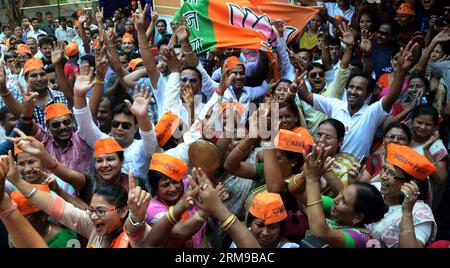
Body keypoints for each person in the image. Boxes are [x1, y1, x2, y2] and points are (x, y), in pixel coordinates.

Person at [295, 40, 419, 158]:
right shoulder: (335, 105)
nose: (353, 92)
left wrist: (402, 71)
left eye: (359, 89)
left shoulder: (372, 112)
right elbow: (306, 96)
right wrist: (299, 71)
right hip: (327, 166)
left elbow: (392, 96)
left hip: (355, 172)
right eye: (351, 87)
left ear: (367, 94)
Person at [299, 144, 386, 248]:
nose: (335, 200)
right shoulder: (340, 210)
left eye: (343, 201)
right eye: (340, 194)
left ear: (357, 217)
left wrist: (312, 179)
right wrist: (306, 172)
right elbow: (297, 192)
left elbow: (320, 231)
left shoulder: (362, 238)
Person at [367, 144, 437, 248]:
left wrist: (407, 211)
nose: (383, 177)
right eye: (384, 169)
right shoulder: (374, 190)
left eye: (391, 174)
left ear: (411, 184)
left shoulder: (420, 212)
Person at [146, 154, 208, 248]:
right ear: (156, 189)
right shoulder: (152, 209)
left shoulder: (186, 186)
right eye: (165, 185)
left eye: (175, 182)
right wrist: (208, 208)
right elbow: (182, 232)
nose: (173, 189)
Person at [410, 105, 448, 210]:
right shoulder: (402, 136)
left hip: (418, 203)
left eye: (428, 124)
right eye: (419, 122)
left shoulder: (437, 147)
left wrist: (426, 150)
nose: (422, 127)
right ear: (412, 121)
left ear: (435, 127)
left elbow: (441, 178)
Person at [230, 192, 299, 248]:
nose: (265, 233)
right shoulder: (239, 241)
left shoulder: (290, 247)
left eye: (272, 227)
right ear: (250, 223)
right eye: (260, 225)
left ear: (281, 227)